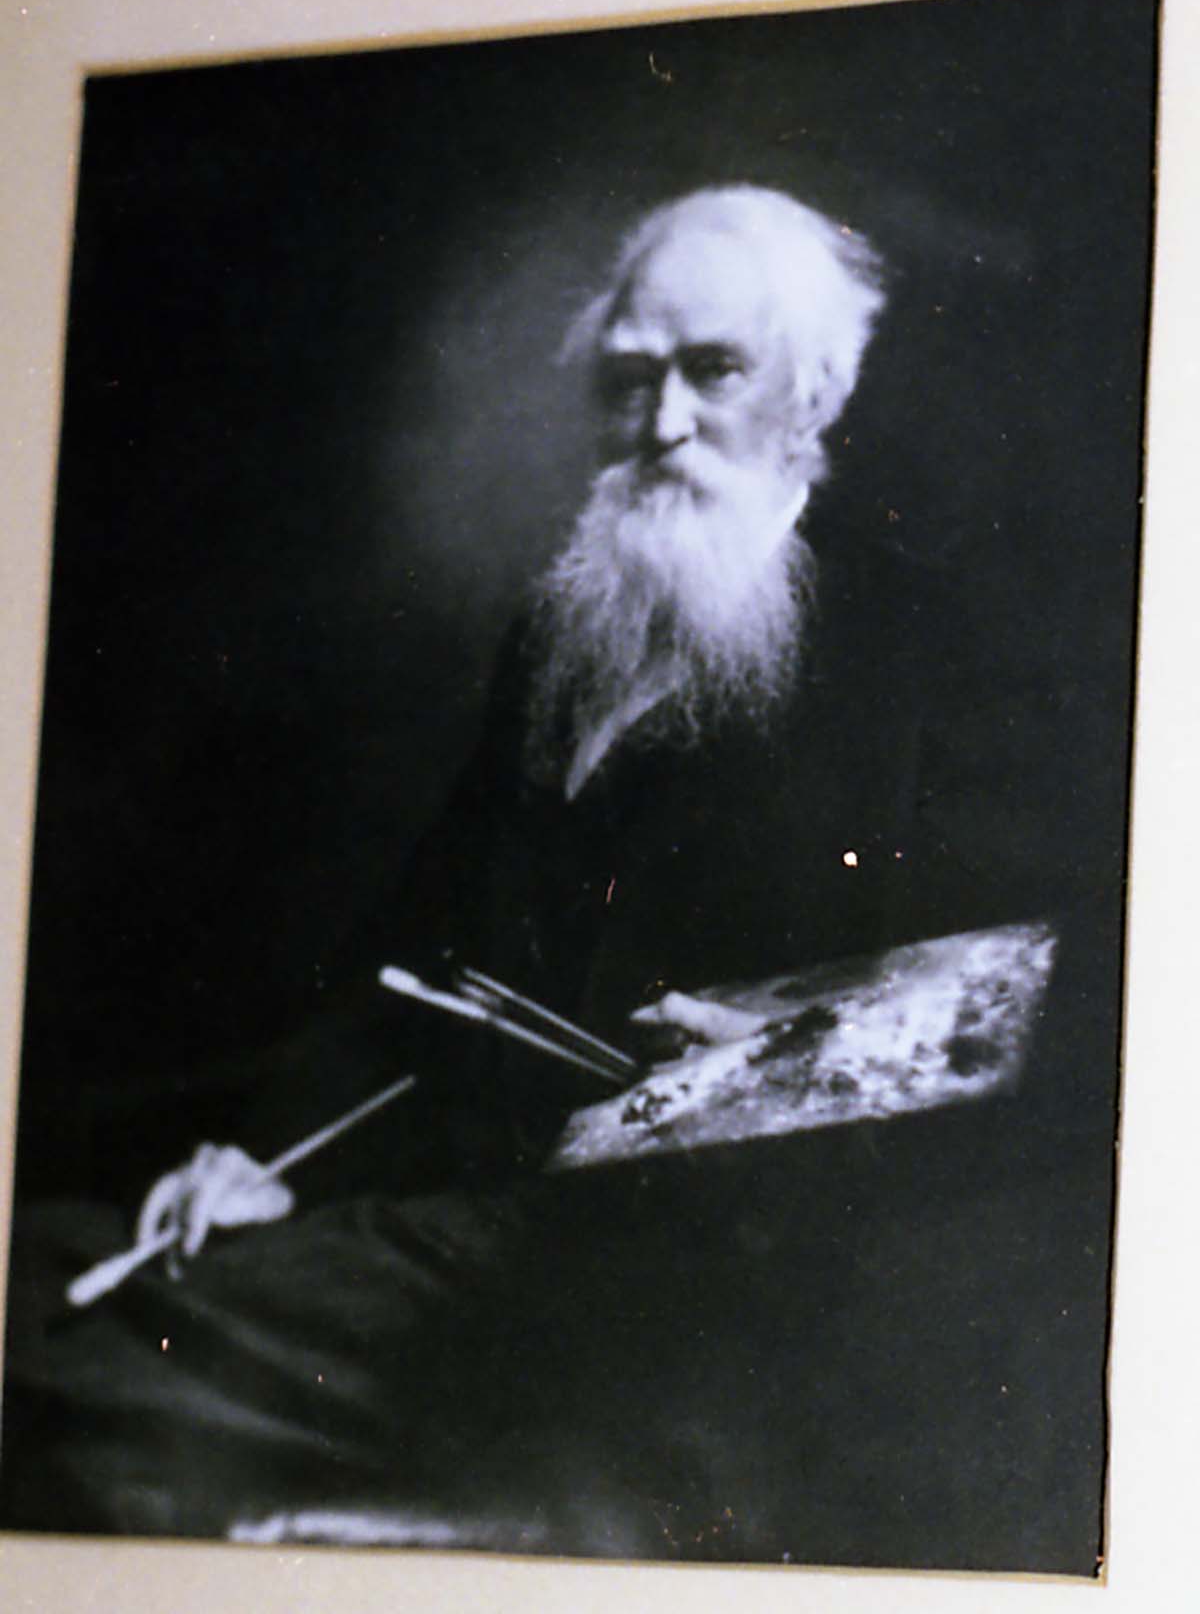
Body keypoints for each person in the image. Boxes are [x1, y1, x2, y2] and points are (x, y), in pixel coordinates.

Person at [0, 187, 1119, 1570]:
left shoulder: (923, 643)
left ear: (816, 392)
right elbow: (417, 955)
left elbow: (1037, 996)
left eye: (715, 371)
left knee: (68, 1343)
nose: (664, 423)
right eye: (632, 379)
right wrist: (265, 1157)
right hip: (451, 1207)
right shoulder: (565, 625)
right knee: (54, 1264)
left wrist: (795, 1040)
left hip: (689, 1278)